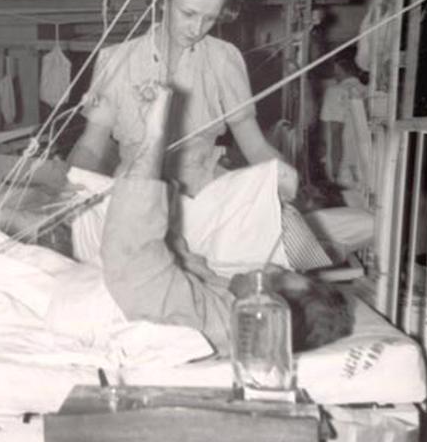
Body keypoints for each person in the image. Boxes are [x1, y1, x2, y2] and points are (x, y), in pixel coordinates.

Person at [99, 81, 353, 353]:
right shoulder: (223, 294)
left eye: (276, 279)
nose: (268, 267)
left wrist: (154, 135)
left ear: (267, 313)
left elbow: (133, 259)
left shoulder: (215, 324)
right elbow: (179, 258)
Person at [69, 0, 298, 200]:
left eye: (210, 18)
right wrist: (72, 186)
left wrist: (282, 174)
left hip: (204, 196)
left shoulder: (224, 59)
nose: (197, 28)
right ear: (163, 0)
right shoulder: (116, 60)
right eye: (188, 14)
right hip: (133, 194)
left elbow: (255, 146)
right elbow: (92, 146)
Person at [320, 55, 368, 186]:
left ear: (339, 69)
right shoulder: (367, 91)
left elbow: (335, 132)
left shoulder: (334, 92)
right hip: (367, 162)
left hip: (344, 164)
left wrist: (335, 170)